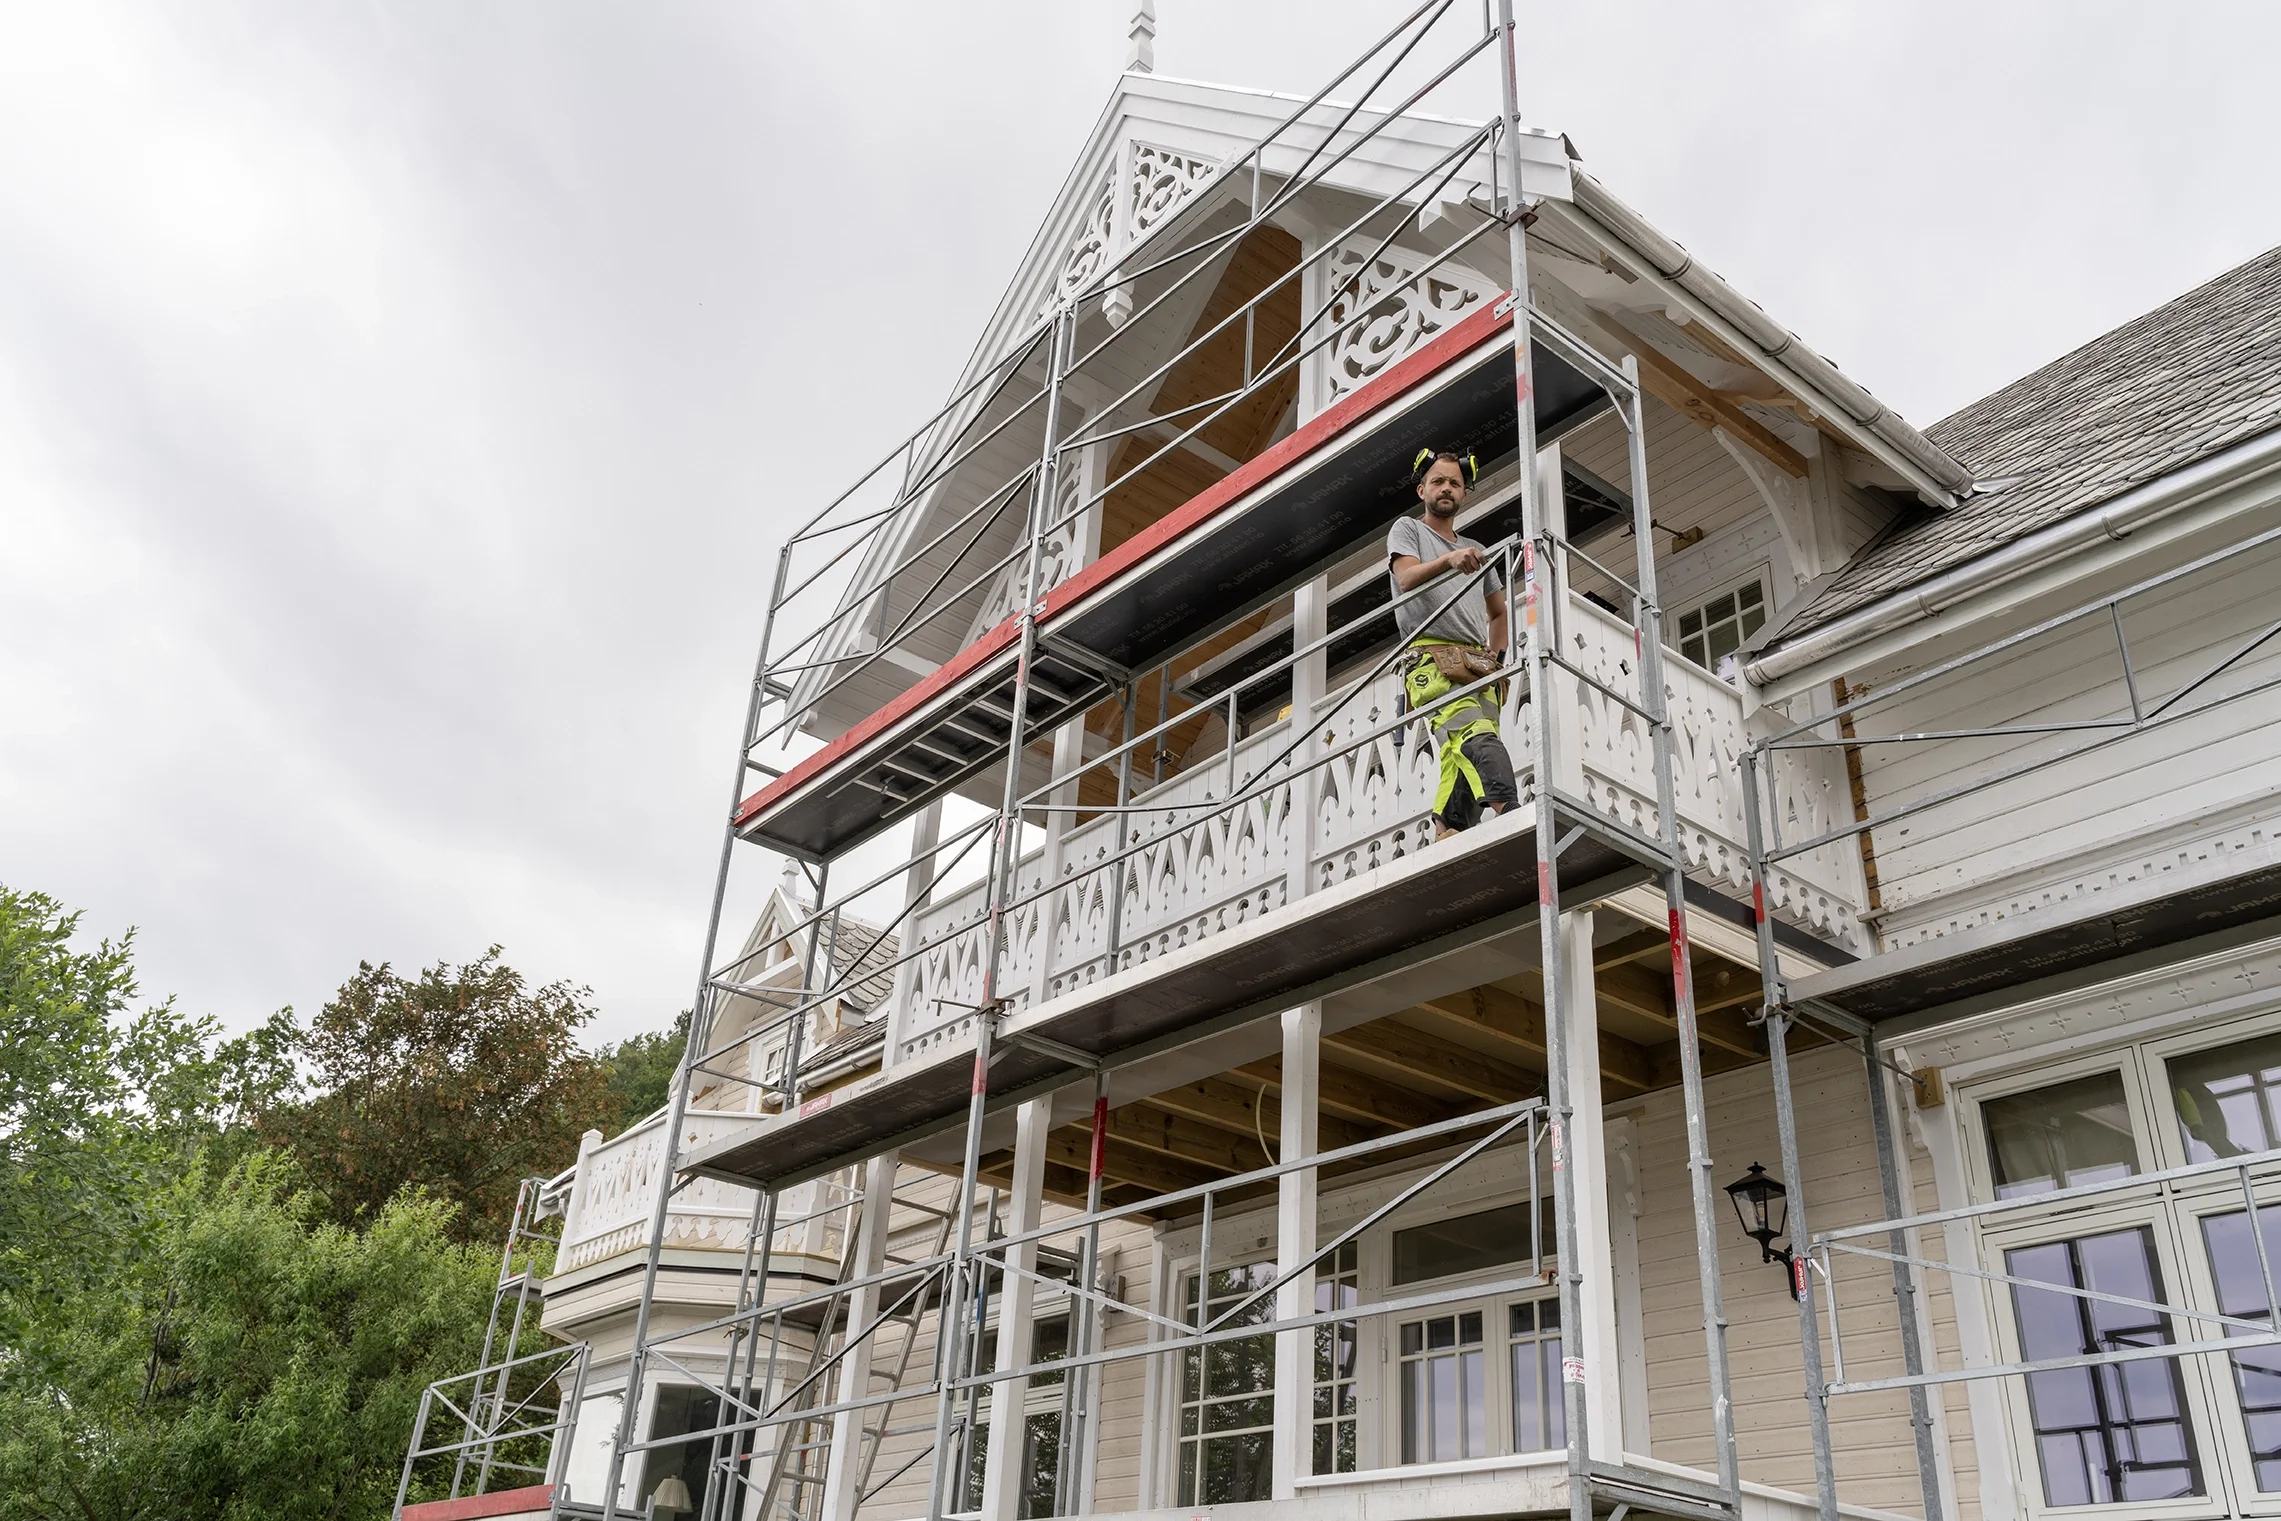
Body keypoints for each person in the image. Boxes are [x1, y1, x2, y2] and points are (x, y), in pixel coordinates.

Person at [1386, 449, 1517, 840]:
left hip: (1476, 663)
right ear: (1422, 488)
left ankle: (1448, 829)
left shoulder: (1476, 548)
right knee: (1474, 734)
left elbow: (1499, 612)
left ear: (1465, 495)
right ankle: (1509, 809)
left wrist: (1498, 657)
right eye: (1439, 481)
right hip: (1430, 658)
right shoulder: (1408, 529)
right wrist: (1449, 561)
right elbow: (1406, 579)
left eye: (1455, 484)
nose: (1446, 488)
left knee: (1457, 753)